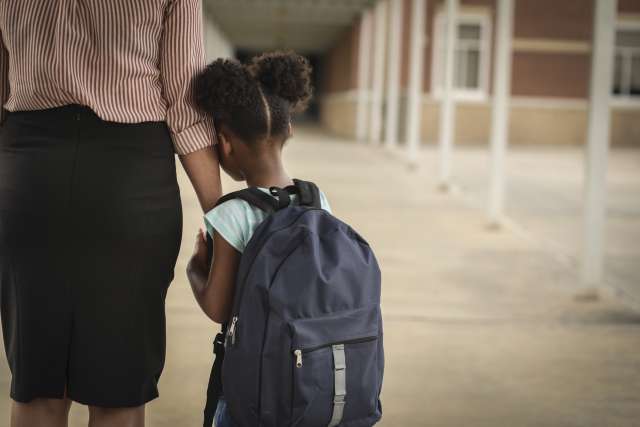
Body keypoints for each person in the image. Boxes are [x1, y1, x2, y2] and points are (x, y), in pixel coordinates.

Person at [0, 1, 221, 427]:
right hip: (130, 179)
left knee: (37, 384)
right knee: (117, 391)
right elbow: (185, 105)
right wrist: (221, 219)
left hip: (29, 176)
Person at [185, 51, 330, 426]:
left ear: (226, 144)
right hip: (311, 379)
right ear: (289, 131)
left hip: (253, 390)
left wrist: (195, 268)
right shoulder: (317, 200)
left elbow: (218, 307)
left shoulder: (232, 214)